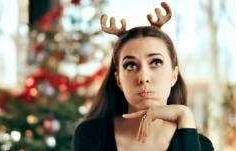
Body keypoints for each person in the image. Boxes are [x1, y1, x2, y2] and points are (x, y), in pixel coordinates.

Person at [73, 2, 214, 151]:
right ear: (119, 80)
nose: (143, 77)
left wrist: (184, 115)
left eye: (156, 62)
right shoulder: (91, 134)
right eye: (131, 65)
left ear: (174, 75)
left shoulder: (200, 145)